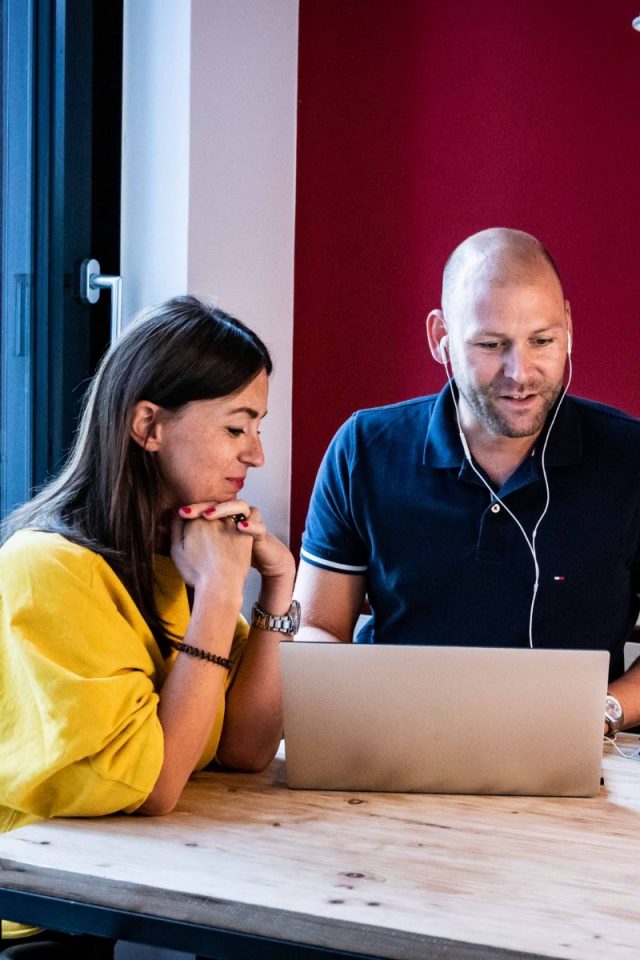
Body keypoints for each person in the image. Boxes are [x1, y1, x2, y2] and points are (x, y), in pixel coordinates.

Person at [0, 296, 298, 957]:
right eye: (236, 427)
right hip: (42, 915)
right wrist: (221, 592)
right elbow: (156, 785)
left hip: (129, 889)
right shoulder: (47, 568)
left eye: (258, 427)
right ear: (148, 425)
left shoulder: (174, 558)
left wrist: (279, 588)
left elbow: (246, 750)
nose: (257, 455)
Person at [295, 227, 640, 736]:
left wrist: (603, 713)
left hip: (573, 748)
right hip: (397, 742)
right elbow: (317, 626)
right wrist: (360, 707)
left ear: (567, 325)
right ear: (441, 339)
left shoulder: (630, 456)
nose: (520, 372)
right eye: (490, 344)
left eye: (542, 340)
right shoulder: (364, 448)